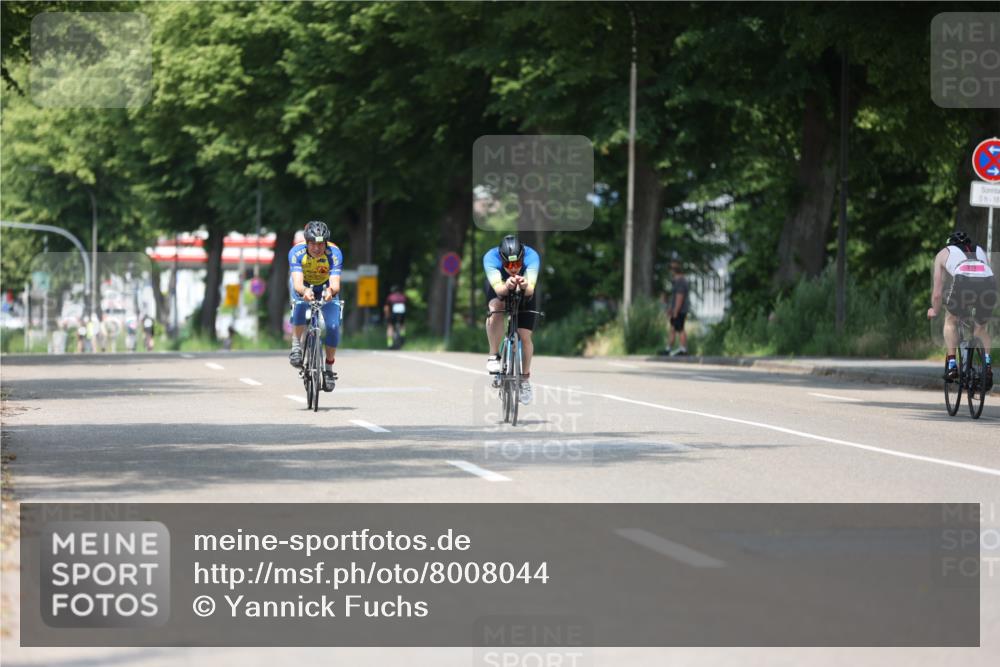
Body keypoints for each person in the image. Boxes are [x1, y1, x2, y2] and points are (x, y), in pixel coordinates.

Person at [927, 230, 995, 390]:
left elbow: (937, 293)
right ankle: (987, 366)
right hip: (988, 283)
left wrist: (934, 310)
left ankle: (952, 364)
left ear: (950, 243)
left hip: (963, 281)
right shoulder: (980, 250)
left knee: (950, 320)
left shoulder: (943, 253)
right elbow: (983, 274)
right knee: (980, 329)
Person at [484, 234, 541, 404]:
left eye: (517, 264)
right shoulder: (490, 257)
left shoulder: (532, 256)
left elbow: (530, 291)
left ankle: (524, 380)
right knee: (496, 308)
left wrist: (524, 285)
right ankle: (494, 355)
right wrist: (507, 285)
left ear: (523, 257)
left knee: (524, 336)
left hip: (524, 290)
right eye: (508, 265)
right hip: (500, 287)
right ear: (501, 259)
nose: (514, 268)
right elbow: (500, 291)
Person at [287, 220, 343, 391]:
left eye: (320, 244)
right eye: (313, 244)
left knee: (333, 326)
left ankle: (328, 369)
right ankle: (296, 345)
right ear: (306, 242)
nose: (317, 248)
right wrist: (304, 291)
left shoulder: (334, 253)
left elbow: (335, 283)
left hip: (326, 289)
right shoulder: (296, 253)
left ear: (325, 242)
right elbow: (297, 283)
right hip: (303, 286)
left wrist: (330, 291)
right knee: (300, 305)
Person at [661, 261, 689, 356]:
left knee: (680, 328)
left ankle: (683, 349)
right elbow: (674, 298)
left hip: (680, 310)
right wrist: (670, 308)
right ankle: (668, 349)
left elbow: (679, 298)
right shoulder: (676, 282)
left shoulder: (680, 282)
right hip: (676, 309)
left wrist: (675, 311)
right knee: (673, 328)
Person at [383, 284, 407, 349]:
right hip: (402, 314)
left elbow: (386, 307)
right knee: (402, 324)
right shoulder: (403, 297)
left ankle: (389, 343)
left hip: (393, 315)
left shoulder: (390, 297)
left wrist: (386, 315)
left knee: (390, 327)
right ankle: (402, 336)